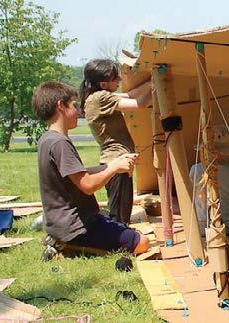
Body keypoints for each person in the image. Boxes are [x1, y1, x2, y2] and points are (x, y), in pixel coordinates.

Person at [32, 81, 150, 259]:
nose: (78, 111)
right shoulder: (60, 143)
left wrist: (111, 164)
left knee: (125, 229)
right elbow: (87, 185)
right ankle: (70, 245)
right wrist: (114, 168)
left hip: (61, 223)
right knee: (142, 242)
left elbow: (77, 174)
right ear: (60, 106)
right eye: (73, 105)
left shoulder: (47, 139)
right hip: (77, 226)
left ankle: (62, 241)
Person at [80, 59, 152, 224]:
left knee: (120, 209)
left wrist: (149, 83)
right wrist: (155, 88)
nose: (120, 80)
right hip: (117, 159)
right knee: (120, 215)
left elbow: (129, 95)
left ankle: (119, 239)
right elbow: (139, 104)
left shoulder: (96, 96)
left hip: (115, 159)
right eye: (115, 78)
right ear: (104, 84)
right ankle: (119, 244)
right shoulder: (101, 98)